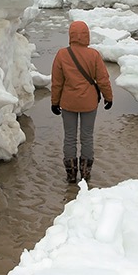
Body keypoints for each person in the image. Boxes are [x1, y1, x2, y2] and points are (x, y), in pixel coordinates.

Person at [50, 20, 113, 184]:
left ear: (70, 35)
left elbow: (57, 82)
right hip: (89, 102)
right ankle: (85, 174)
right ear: (87, 36)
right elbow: (103, 79)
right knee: (87, 137)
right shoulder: (94, 55)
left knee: (69, 138)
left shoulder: (62, 54)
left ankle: (71, 175)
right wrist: (109, 97)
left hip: (68, 102)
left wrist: (54, 102)